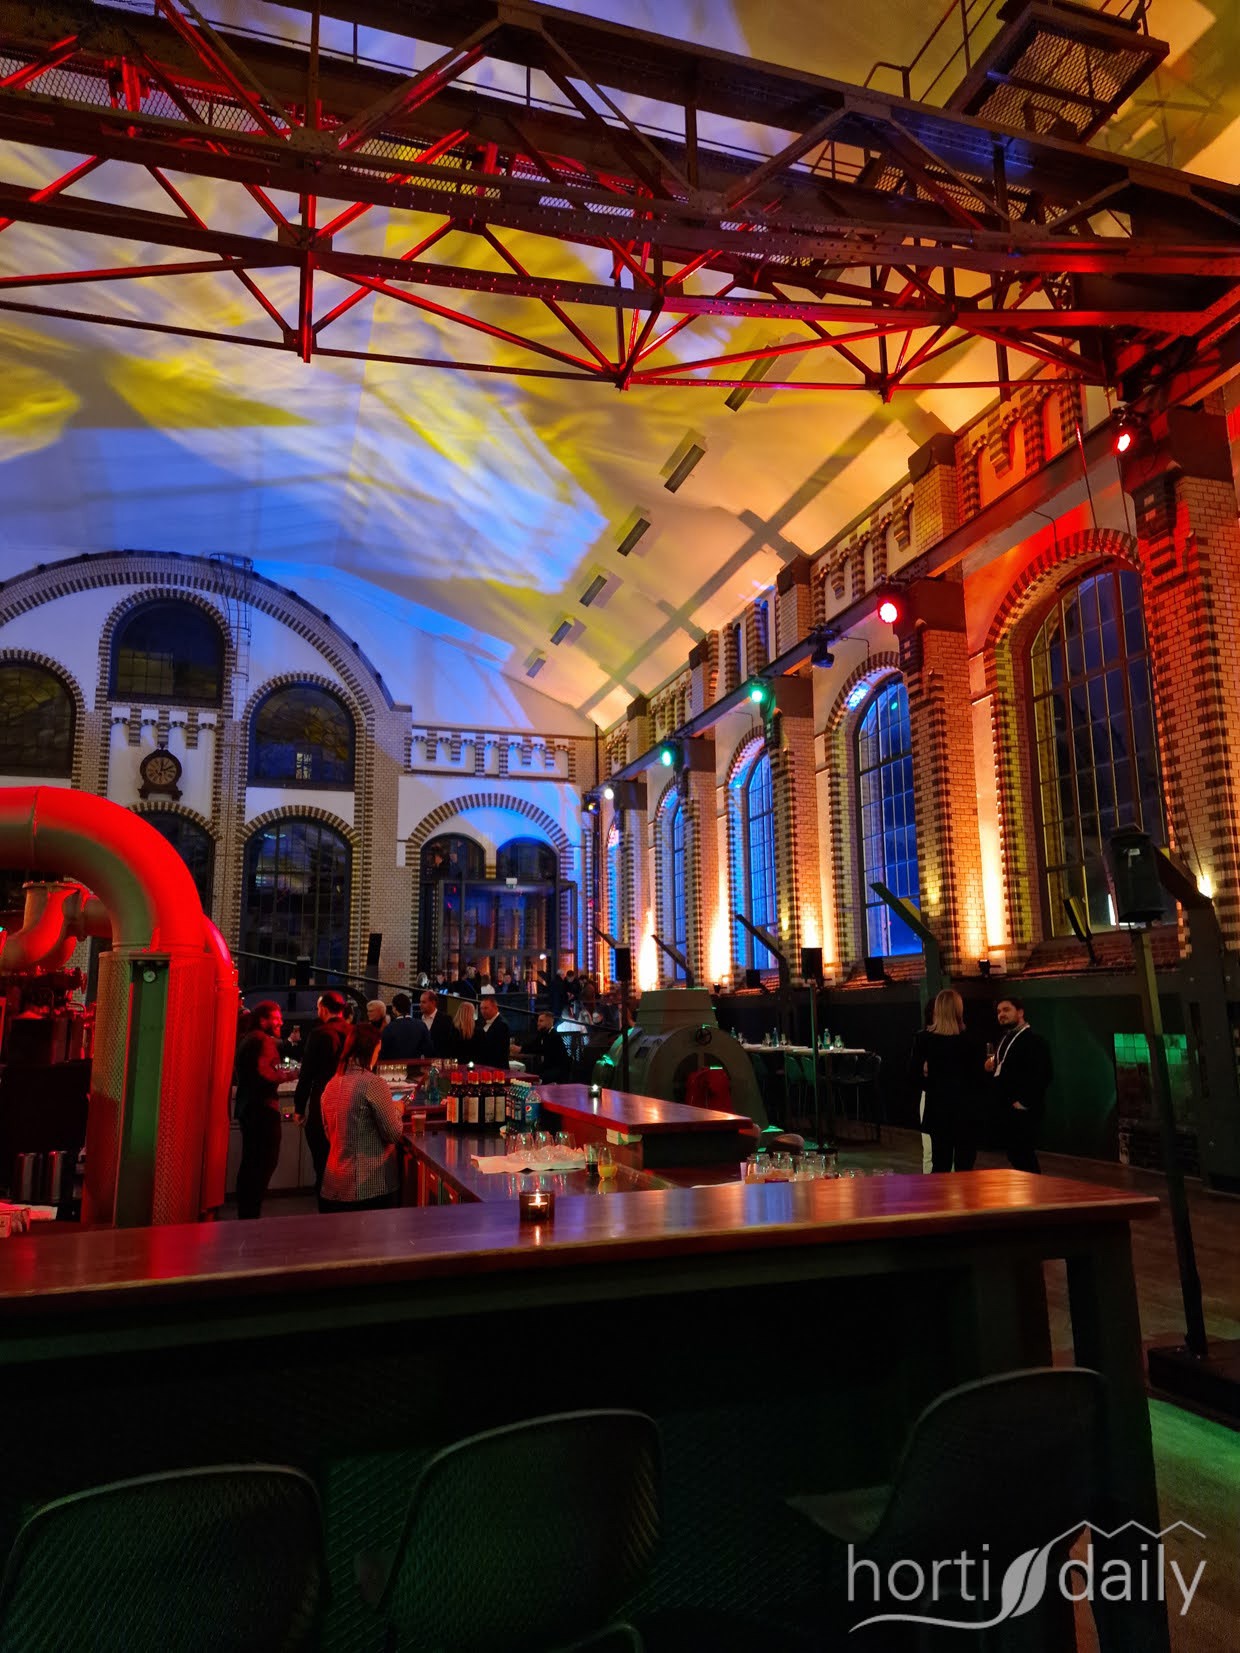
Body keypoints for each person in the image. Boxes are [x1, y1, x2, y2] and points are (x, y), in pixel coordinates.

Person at [318, 1024, 405, 1213]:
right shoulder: (373, 1083)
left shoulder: (331, 1085)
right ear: (370, 1050)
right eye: (377, 1051)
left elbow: (328, 1133)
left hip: (335, 1185)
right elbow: (393, 1133)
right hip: (370, 1186)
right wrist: (398, 1110)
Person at [986, 995, 1052, 1173]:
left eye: (1006, 1010)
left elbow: (1043, 1074)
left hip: (1023, 1110)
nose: (1001, 1014)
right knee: (1015, 1155)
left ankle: (1036, 1188)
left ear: (1020, 1012)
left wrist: (1024, 1102)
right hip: (1007, 1109)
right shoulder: (1006, 1038)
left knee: (1023, 1155)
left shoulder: (1034, 1041)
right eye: (999, 1011)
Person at [921, 989, 984, 1173]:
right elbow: (978, 1080)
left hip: (939, 1110)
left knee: (939, 1164)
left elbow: (913, 1077)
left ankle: (937, 1193)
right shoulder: (971, 1040)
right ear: (959, 1010)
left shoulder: (925, 1040)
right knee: (964, 1166)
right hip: (965, 1111)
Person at [294, 990, 349, 1196]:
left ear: (323, 1009)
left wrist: (299, 1108)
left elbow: (307, 1074)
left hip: (323, 1103)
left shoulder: (319, 1034)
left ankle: (325, 1198)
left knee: (322, 1160)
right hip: (348, 1101)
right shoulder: (353, 1032)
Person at [234, 1001, 285, 1220]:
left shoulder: (248, 1038)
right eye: (276, 1018)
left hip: (248, 1108)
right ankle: (250, 1216)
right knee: (264, 1163)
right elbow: (267, 1074)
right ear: (263, 1020)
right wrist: (289, 1074)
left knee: (250, 1164)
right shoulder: (262, 1040)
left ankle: (246, 1214)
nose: (281, 1022)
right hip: (263, 1110)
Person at [517, 1010, 572, 1084]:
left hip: (557, 1071)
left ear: (549, 1022)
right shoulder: (543, 1034)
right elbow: (533, 1045)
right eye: (538, 1021)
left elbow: (541, 1050)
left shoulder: (554, 1036)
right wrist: (521, 1049)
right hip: (548, 1068)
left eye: (541, 1021)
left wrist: (521, 1050)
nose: (538, 1023)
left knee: (535, 1079)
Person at [380, 992, 430, 1061]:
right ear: (409, 1007)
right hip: (416, 1066)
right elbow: (429, 1050)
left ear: (394, 1008)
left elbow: (384, 1054)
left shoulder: (389, 1028)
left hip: (396, 1066)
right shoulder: (421, 1025)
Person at [476, 985, 511, 1069]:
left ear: (495, 1008)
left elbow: (497, 1050)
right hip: (484, 1067)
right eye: (481, 1008)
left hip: (497, 1068)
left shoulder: (502, 1025)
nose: (483, 1011)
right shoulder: (480, 1022)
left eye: (486, 1008)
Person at [420, 989, 458, 1060]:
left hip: (440, 1061)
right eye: (420, 1002)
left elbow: (450, 1043)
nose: (420, 1005)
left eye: (424, 1002)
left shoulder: (446, 1019)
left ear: (433, 1003)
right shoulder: (418, 1020)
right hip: (421, 1061)